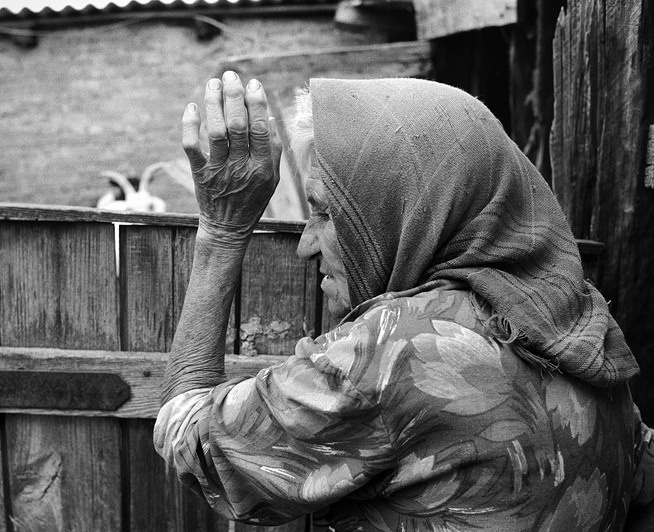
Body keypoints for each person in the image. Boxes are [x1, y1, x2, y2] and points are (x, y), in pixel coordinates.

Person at [154, 71, 653, 530]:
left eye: (327, 213)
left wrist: (222, 232)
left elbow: (192, 444)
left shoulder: (404, 346)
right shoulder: (582, 332)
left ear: (406, 211)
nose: (307, 244)